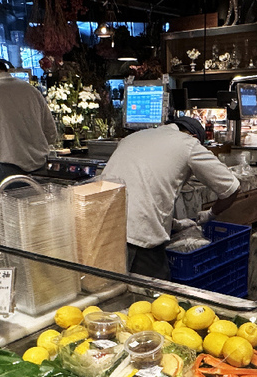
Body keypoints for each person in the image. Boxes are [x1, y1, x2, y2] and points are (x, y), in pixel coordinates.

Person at [101, 117, 240, 279]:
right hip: (139, 237)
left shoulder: (132, 138)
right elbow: (232, 187)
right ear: (194, 137)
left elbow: (140, 191)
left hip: (101, 227)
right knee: (154, 297)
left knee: (111, 291)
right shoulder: (189, 144)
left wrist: (176, 224)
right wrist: (211, 213)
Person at [0, 57, 58, 185]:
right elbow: (50, 131)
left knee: (11, 205)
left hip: (9, 170)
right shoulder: (32, 90)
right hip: (39, 167)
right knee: (40, 204)